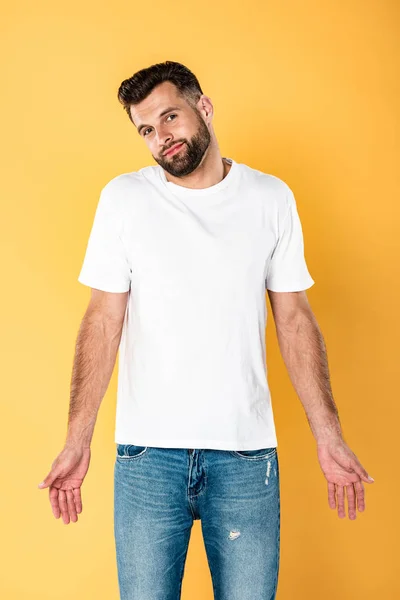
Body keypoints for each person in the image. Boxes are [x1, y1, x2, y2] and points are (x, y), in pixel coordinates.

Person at [38, 60, 374, 599]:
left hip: (246, 459)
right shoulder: (124, 200)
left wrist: (327, 434)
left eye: (170, 117)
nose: (161, 138)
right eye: (146, 129)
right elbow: (103, 319)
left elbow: (294, 319)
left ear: (205, 108)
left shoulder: (270, 198)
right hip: (147, 460)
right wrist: (77, 439)